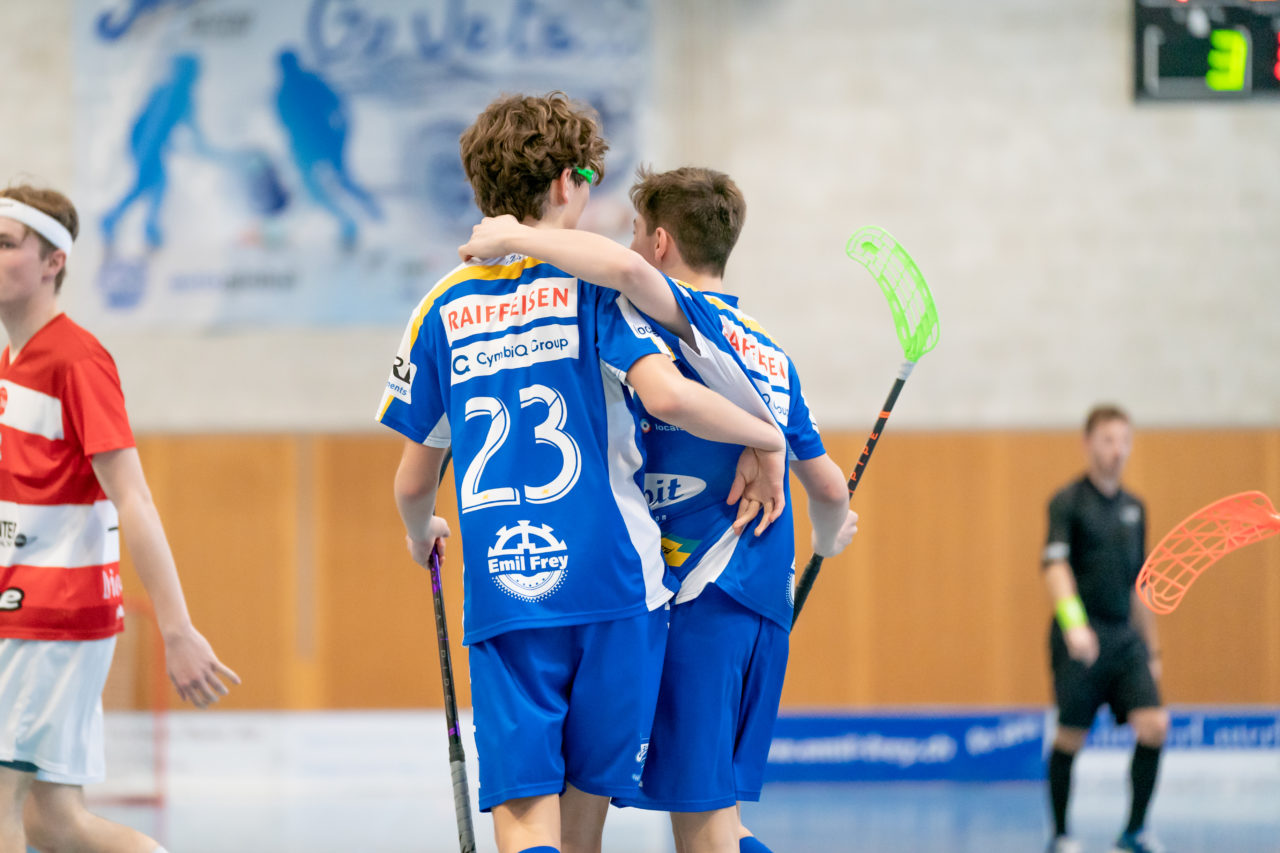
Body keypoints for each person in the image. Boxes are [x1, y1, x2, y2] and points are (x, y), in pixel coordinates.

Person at [376, 93, 787, 853]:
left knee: (530, 827)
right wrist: (770, 438)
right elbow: (669, 394)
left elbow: (411, 481)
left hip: (509, 592)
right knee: (583, 824)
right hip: (619, 587)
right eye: (591, 172)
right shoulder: (597, 287)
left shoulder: (438, 306)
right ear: (568, 183)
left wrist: (418, 531)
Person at [459, 165, 859, 853]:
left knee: (703, 825)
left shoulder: (675, 317)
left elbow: (621, 273)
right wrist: (823, 544)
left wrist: (515, 235)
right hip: (763, 599)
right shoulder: (772, 354)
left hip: (704, 592)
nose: (631, 245)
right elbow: (828, 489)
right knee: (725, 812)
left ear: (662, 242)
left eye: (639, 232)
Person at [0, 184, 239, 853]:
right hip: (26, 609)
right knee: (54, 822)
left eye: (6, 244)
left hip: (54, 613)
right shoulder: (13, 364)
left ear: (53, 263)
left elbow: (133, 496)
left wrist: (178, 628)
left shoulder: (76, 359)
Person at [1042, 405, 1167, 853]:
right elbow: (1055, 567)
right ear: (1088, 443)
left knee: (1154, 726)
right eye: (1108, 440)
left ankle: (1133, 831)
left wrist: (1152, 653)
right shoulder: (1068, 502)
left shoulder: (1136, 508)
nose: (1117, 451)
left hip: (1125, 640)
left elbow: (1142, 586)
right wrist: (1075, 625)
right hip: (1080, 641)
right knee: (1070, 738)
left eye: (1124, 441)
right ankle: (1060, 834)